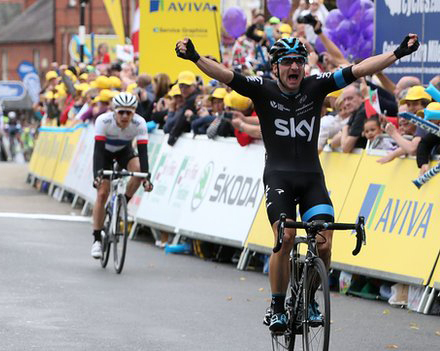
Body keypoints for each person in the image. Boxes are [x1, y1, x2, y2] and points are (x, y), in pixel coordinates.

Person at [175, 32, 420, 331]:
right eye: (287, 62)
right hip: (278, 177)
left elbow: (360, 69)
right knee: (286, 238)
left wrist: (397, 53)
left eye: (299, 62)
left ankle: (312, 300)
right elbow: (226, 75)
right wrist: (195, 58)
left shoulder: (316, 86)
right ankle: (277, 305)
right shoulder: (261, 88)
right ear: (275, 67)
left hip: (311, 177)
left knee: (325, 244)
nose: (294, 67)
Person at [90, 92, 153, 259]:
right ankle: (96, 238)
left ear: (134, 112)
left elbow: (143, 153)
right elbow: (97, 151)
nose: (125, 116)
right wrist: (97, 175)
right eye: (121, 112)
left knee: (139, 170)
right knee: (103, 193)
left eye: (129, 112)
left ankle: (123, 201)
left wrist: (146, 177)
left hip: (124, 151)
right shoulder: (103, 121)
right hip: (104, 153)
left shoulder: (139, 123)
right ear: (114, 111)